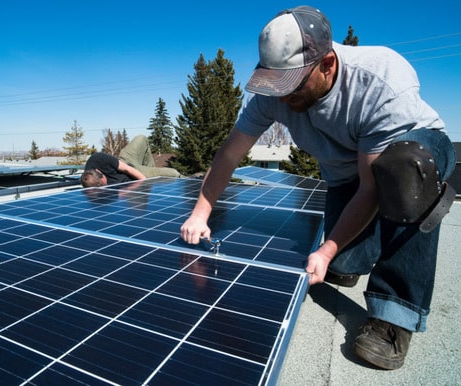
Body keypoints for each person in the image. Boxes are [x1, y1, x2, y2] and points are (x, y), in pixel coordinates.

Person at [180, 5, 456, 370]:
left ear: (326, 64)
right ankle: (359, 249)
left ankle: (395, 315)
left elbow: (371, 188)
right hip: (346, 173)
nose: (282, 97)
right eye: (276, 84)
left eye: (291, 85)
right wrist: (201, 213)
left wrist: (324, 251)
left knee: (404, 173)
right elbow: (230, 155)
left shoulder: (379, 77)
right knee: (343, 263)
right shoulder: (272, 94)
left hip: (412, 156)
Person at [81, 135, 181, 187]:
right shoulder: (91, 186)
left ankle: (150, 169)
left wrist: (147, 184)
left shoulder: (98, 159)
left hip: (128, 165)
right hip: (131, 182)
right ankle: (192, 179)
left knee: (141, 138)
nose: (106, 185)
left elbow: (127, 169)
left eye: (104, 182)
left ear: (99, 171)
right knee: (173, 173)